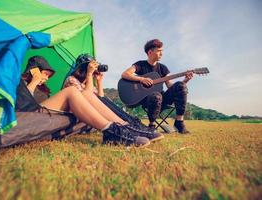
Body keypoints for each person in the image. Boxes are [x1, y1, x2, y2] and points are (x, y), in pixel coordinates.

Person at [15, 55, 151, 147]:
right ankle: (112, 131)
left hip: (48, 113)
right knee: (72, 91)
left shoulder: (43, 89)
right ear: (33, 70)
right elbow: (23, 104)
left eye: (48, 76)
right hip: (32, 114)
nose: (46, 78)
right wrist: (33, 81)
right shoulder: (20, 82)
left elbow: (99, 98)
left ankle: (124, 127)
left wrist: (99, 81)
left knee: (85, 95)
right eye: (45, 74)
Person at [63, 54, 164, 141]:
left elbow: (101, 98)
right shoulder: (71, 80)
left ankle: (132, 124)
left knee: (104, 100)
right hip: (81, 113)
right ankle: (130, 126)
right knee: (99, 99)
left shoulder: (87, 84)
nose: (94, 70)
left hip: (92, 111)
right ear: (83, 68)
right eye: (91, 67)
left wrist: (99, 81)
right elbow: (87, 98)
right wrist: (89, 74)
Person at [121, 39, 193, 134]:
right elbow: (125, 74)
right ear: (150, 52)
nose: (161, 54)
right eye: (159, 51)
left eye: (162, 51)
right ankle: (151, 126)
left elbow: (170, 86)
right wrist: (141, 79)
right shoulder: (140, 65)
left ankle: (179, 122)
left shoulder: (163, 68)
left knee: (180, 85)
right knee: (155, 95)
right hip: (148, 101)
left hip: (163, 100)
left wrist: (185, 81)